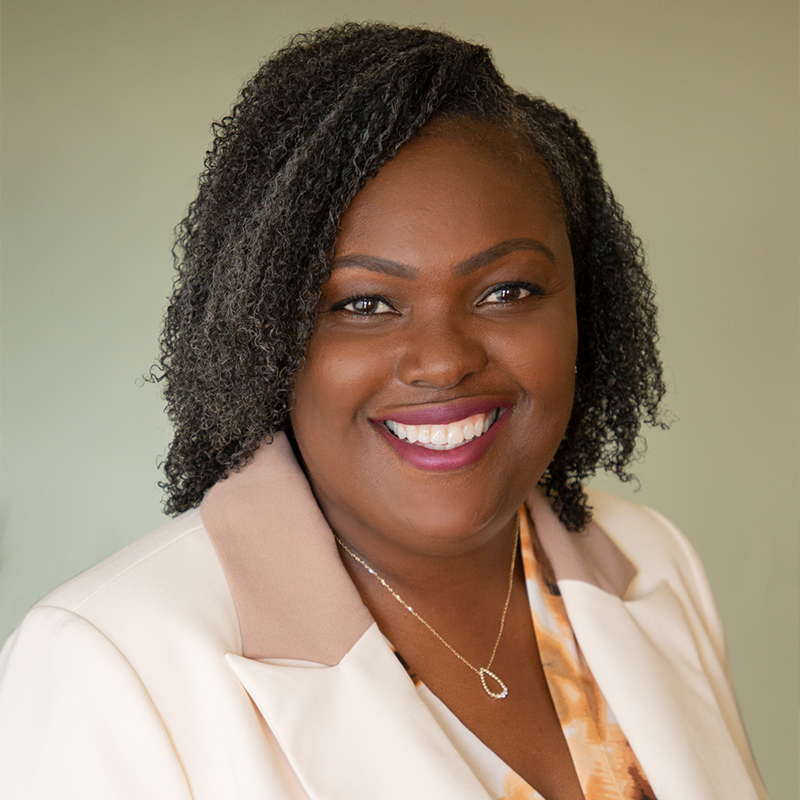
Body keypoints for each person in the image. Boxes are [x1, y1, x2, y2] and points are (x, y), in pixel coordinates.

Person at [0, 22, 768, 800]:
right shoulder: (107, 665)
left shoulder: (653, 558)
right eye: (364, 303)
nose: (443, 359)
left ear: (585, 310)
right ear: (265, 332)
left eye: (506, 291)